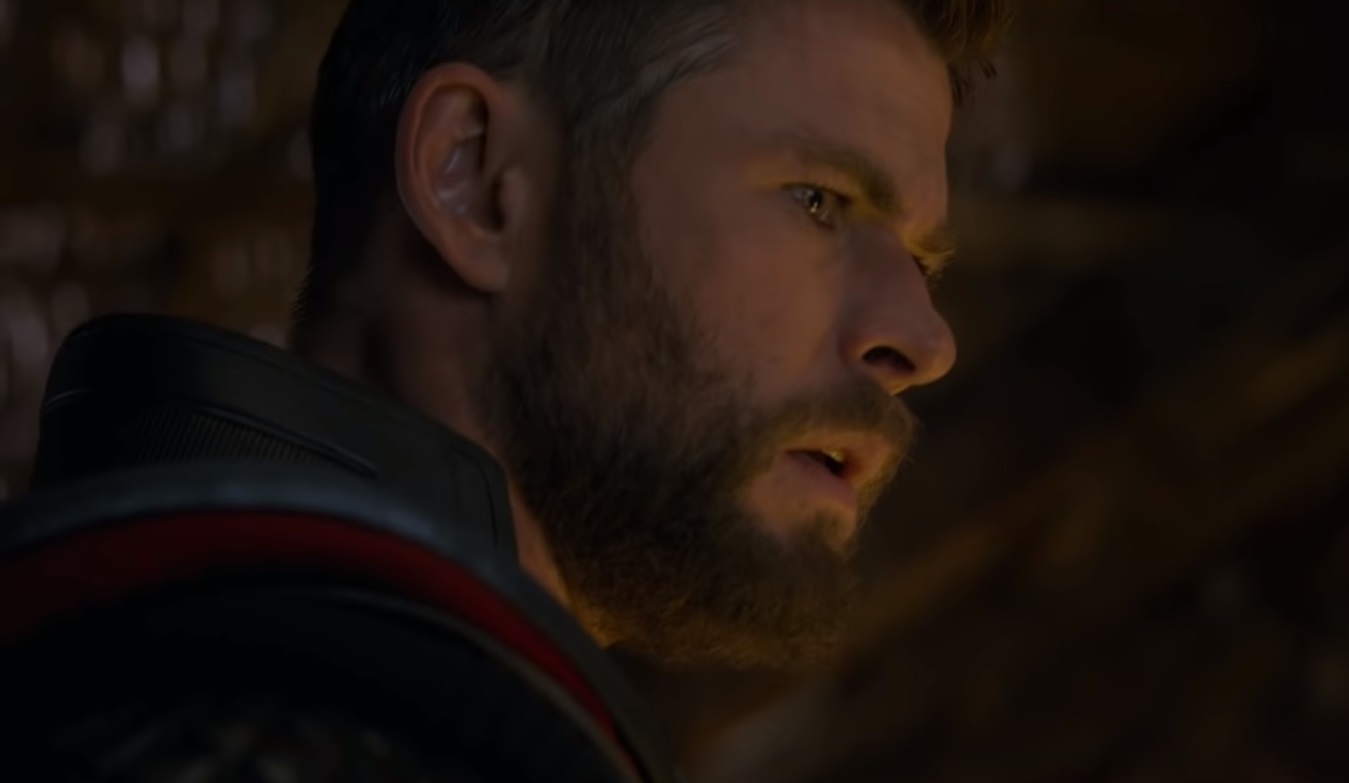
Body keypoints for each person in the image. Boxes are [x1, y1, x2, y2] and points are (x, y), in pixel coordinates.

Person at [0, 0, 1007, 779]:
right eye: (819, 200)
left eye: (921, 260)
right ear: (476, 180)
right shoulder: (263, 738)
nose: (926, 338)